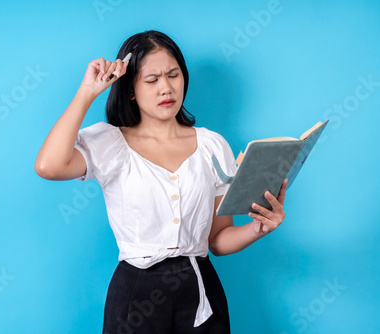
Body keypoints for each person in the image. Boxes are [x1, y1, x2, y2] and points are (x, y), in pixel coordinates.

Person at [34, 30, 287, 334]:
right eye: (152, 80)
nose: (166, 88)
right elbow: (48, 166)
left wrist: (258, 228)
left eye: (173, 75)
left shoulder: (211, 145)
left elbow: (217, 240)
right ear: (130, 90)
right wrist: (88, 91)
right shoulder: (109, 142)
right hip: (135, 296)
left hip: (200, 290)